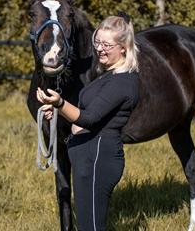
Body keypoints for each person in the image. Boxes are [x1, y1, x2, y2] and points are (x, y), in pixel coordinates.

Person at [37, 13, 139, 231]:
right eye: (97, 42)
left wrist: (60, 103)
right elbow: (90, 111)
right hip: (88, 160)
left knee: (90, 227)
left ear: (123, 47)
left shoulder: (122, 82)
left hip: (97, 161)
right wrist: (57, 112)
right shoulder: (108, 75)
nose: (100, 48)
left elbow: (89, 118)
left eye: (107, 44)